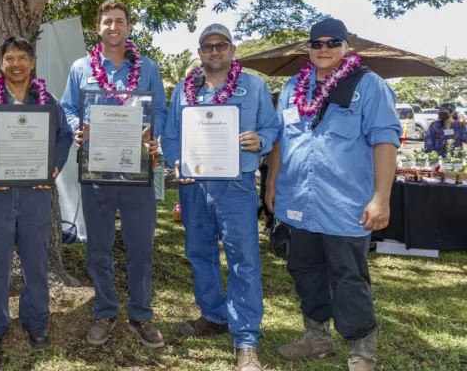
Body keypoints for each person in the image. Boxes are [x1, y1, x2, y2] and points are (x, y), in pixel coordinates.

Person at [265, 18, 402, 371]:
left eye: (331, 42)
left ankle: (362, 351)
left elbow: (385, 141)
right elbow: (281, 140)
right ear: (308, 49)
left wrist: (381, 198)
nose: (323, 48)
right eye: (316, 43)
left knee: (348, 276)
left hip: (345, 204)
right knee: (303, 269)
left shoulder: (369, 85)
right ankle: (317, 337)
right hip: (297, 200)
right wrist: (272, 184)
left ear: (346, 47)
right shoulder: (294, 86)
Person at [162, 24, 280, 371]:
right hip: (194, 185)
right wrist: (176, 160)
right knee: (200, 253)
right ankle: (213, 314)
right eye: (207, 46)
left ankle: (245, 337)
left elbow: (273, 129)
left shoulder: (255, 86)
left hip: (237, 185)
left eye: (221, 45)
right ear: (199, 53)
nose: (214, 51)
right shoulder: (184, 90)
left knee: (243, 259)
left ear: (232, 49)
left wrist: (259, 140)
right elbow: (171, 137)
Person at [60, 0, 167, 348]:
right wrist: (78, 129)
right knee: (99, 249)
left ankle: (140, 314)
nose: (114, 27)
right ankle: (105, 311)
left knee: (141, 247)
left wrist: (153, 135)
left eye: (120, 21)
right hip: (97, 171)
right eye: (107, 21)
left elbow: (160, 110)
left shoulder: (147, 67)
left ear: (129, 27)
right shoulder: (81, 68)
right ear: (99, 27)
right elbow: (67, 108)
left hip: (137, 172)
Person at [0, 36, 74, 354]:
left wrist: (54, 167)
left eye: (22, 57)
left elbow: (65, 136)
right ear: (1, 64)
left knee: (36, 261)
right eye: (10, 58)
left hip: (36, 194)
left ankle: (36, 321)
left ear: (32, 62)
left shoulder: (47, 101)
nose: (16, 64)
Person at [258, 91, 280, 235]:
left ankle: (271, 225)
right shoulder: (271, 119)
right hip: (269, 163)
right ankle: (268, 225)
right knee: (266, 195)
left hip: (284, 164)